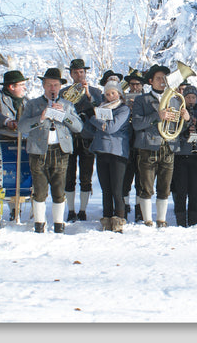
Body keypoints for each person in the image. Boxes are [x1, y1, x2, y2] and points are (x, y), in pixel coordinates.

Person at [19, 68, 83, 233]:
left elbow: (78, 127)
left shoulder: (67, 105)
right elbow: (22, 127)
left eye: (55, 85)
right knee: (39, 190)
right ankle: (39, 224)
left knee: (59, 189)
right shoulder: (32, 104)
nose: (52, 88)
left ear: (60, 86)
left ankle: (59, 224)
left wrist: (63, 116)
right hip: (39, 151)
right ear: (44, 86)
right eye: (49, 85)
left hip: (60, 151)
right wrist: (41, 118)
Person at [132, 64, 190, 228]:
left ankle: (161, 220)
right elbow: (136, 124)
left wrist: (185, 118)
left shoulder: (175, 99)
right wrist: (157, 116)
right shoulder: (141, 100)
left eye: (165, 78)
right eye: (158, 78)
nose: (163, 82)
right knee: (146, 187)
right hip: (148, 147)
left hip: (169, 147)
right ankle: (147, 220)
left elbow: (179, 128)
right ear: (150, 81)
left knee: (164, 188)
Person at [0, 70, 29, 221]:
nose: (24, 88)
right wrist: (7, 121)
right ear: (11, 86)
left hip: (17, 144)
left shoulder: (26, 101)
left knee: (16, 179)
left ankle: (15, 212)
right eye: (21, 85)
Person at [82, 80, 130, 232]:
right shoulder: (101, 108)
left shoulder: (123, 109)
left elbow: (110, 127)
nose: (110, 96)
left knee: (117, 188)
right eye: (107, 94)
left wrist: (93, 118)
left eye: (113, 93)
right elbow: (94, 129)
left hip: (117, 152)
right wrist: (88, 118)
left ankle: (119, 219)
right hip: (102, 150)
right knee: (105, 188)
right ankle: (107, 218)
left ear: (119, 94)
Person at [60, 59, 103, 223]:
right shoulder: (63, 92)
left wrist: (88, 95)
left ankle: (83, 210)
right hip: (69, 138)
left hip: (87, 138)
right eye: (76, 72)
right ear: (71, 74)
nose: (79, 75)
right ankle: (71, 210)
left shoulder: (95, 91)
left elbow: (100, 110)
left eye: (82, 72)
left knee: (86, 177)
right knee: (68, 176)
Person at [171, 85, 197, 227]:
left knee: (194, 189)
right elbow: (174, 132)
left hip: (196, 154)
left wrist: (196, 131)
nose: (191, 100)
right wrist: (185, 123)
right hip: (180, 154)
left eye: (193, 97)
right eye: (188, 97)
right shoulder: (178, 112)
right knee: (181, 189)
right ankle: (180, 220)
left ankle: (193, 220)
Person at [121, 68, 145, 222]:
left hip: (141, 142)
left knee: (141, 178)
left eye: (137, 84)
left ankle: (139, 209)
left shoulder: (146, 99)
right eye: (132, 84)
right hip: (126, 142)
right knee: (125, 177)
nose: (134, 87)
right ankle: (123, 206)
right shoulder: (123, 99)